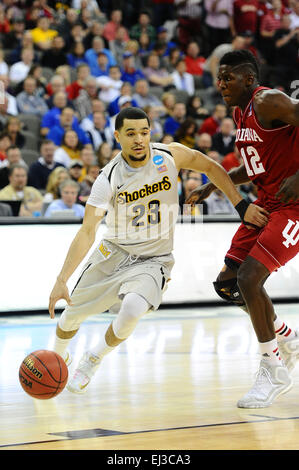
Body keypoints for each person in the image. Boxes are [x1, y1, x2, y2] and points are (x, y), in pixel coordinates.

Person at [48, 106, 268, 394]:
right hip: (114, 251)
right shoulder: (109, 177)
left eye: (144, 132)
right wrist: (61, 279)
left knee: (132, 310)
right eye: (131, 133)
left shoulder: (169, 154)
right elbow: (88, 230)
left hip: (155, 258)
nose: (139, 139)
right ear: (117, 136)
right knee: (70, 318)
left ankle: (93, 359)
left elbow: (212, 167)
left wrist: (240, 205)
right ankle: (58, 355)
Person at [186, 50, 299, 409]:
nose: (220, 84)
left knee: (250, 278)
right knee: (228, 284)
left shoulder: (269, 100)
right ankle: (286, 338)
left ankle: (273, 369)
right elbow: (255, 164)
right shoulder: (241, 112)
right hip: (266, 203)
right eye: (218, 78)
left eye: (227, 78)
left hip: (294, 206)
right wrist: (214, 184)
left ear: (248, 79)